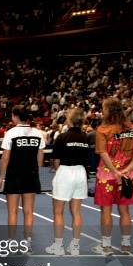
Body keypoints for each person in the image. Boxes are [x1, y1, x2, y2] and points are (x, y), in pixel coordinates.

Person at [92, 98, 133, 255]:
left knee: (106, 210)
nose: (102, 111)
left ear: (109, 111)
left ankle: (106, 246)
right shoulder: (131, 129)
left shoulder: (102, 130)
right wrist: (127, 169)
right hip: (127, 176)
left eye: (104, 109)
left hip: (107, 176)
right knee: (125, 210)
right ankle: (126, 245)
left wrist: (114, 171)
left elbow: (103, 153)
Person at [0, 105, 45, 254]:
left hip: (14, 176)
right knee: (29, 211)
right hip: (30, 175)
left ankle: (11, 243)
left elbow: (5, 158)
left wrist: (1, 178)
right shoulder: (38, 133)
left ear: (15, 116)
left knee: (12, 212)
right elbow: (40, 157)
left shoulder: (11, 133)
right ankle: (27, 243)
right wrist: (34, 170)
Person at [45, 108, 90, 256]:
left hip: (65, 171)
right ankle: (75, 246)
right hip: (81, 173)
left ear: (69, 120)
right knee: (76, 211)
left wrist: (59, 174)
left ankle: (58, 246)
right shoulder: (85, 137)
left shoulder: (62, 137)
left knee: (58, 211)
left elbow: (56, 160)